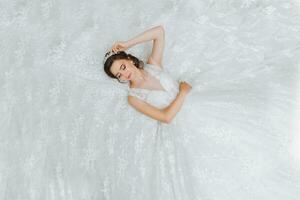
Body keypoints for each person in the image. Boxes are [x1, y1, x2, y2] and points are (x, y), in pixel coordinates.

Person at [102, 25, 300, 200]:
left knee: (239, 141)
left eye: (122, 67)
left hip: (200, 107)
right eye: (118, 75)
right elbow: (166, 117)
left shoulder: (154, 65)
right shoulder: (133, 96)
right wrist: (183, 92)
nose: (124, 74)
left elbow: (160, 32)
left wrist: (128, 43)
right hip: (180, 128)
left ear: (129, 59)